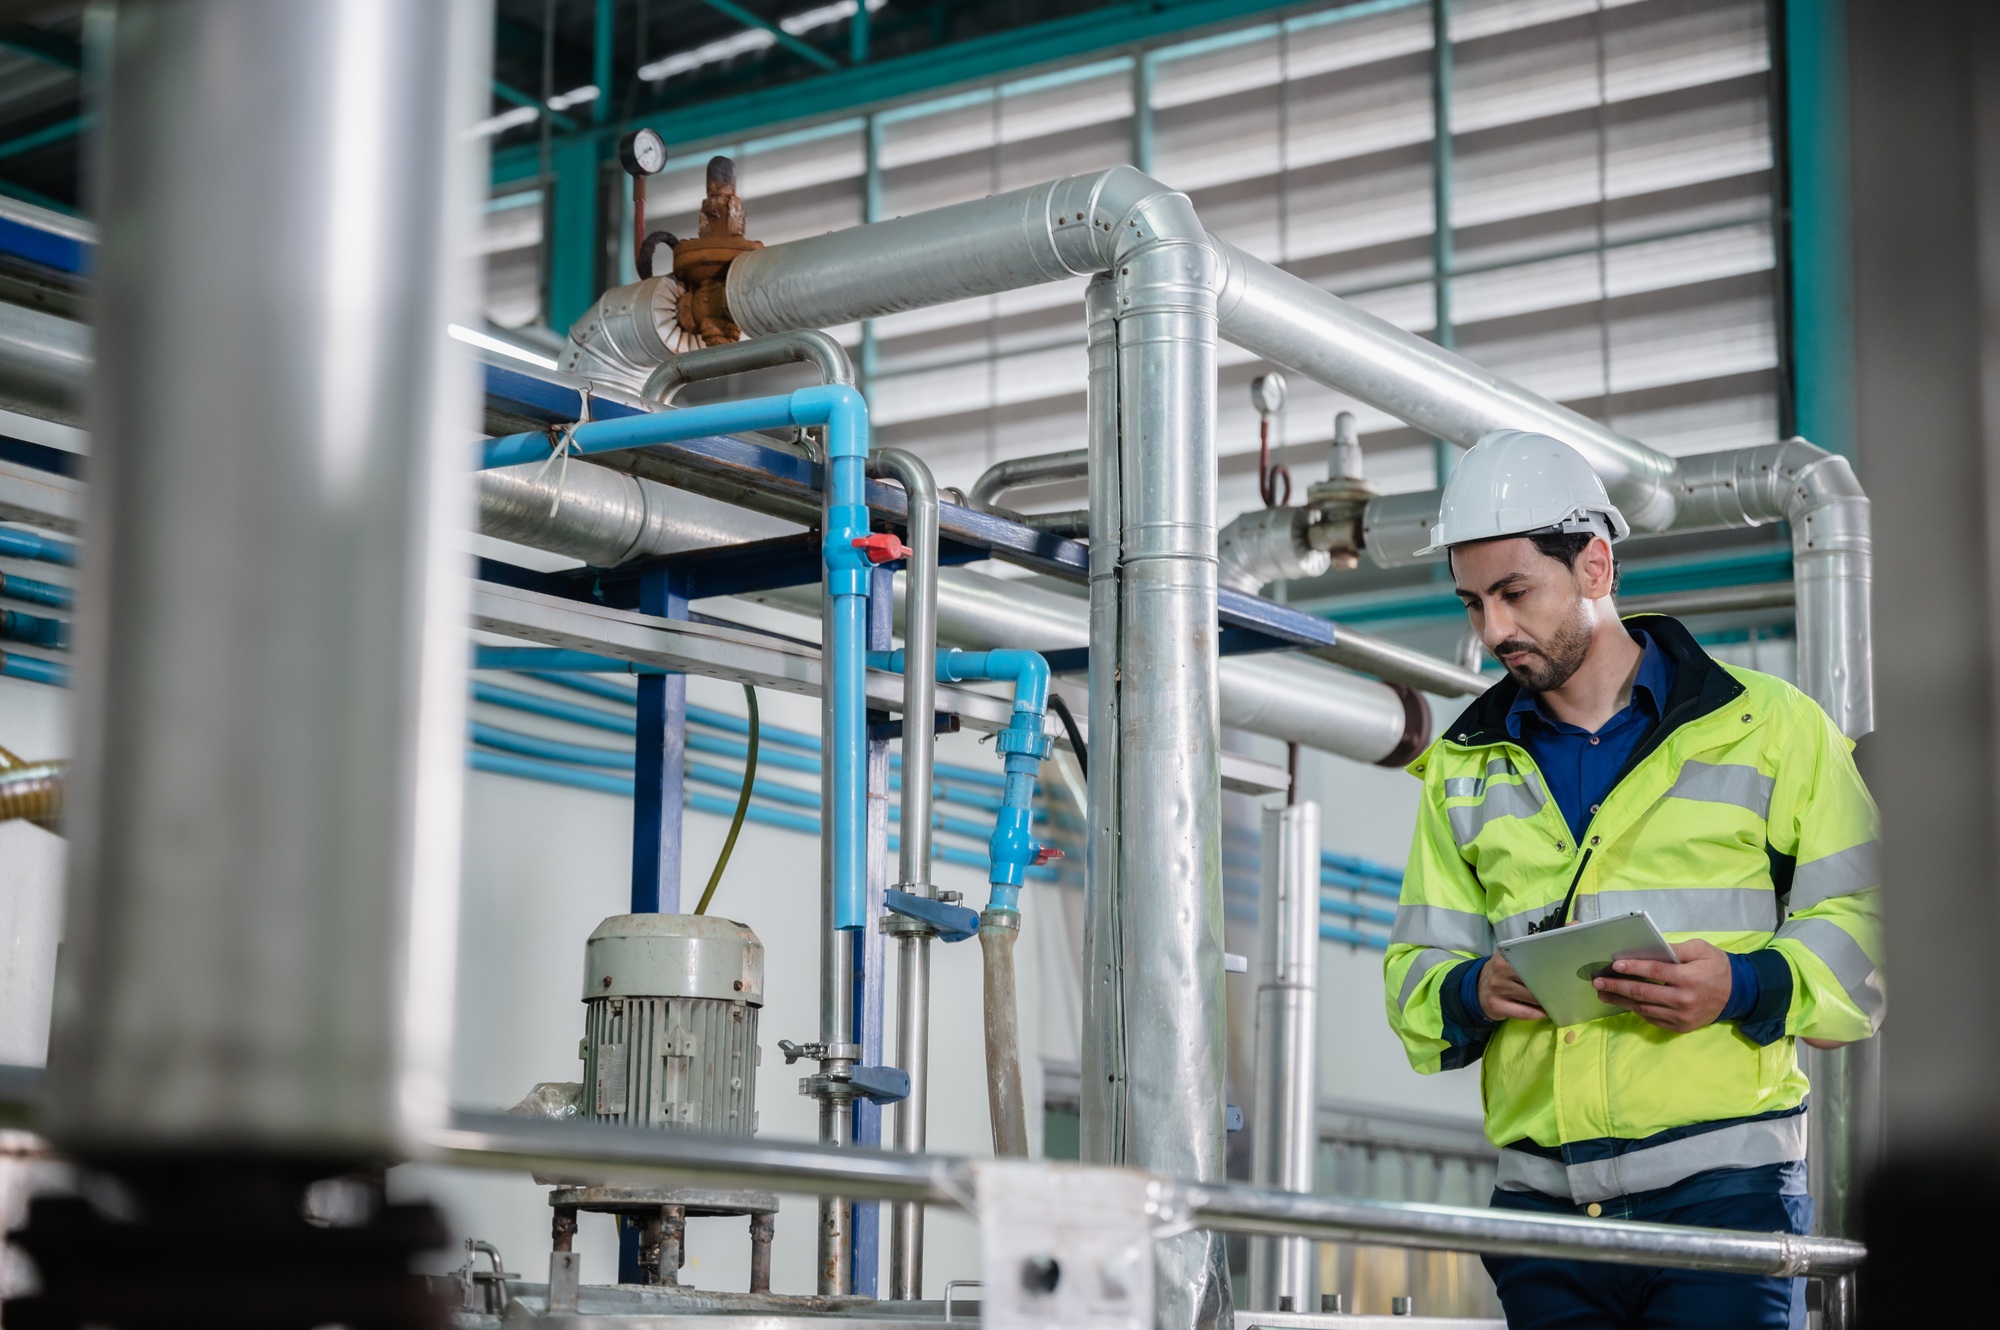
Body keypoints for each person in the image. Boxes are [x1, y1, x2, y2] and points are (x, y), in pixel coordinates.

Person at [1381, 430, 1884, 1330]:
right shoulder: (1461, 768)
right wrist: (1473, 989)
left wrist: (1746, 984)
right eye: (1474, 602)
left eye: (1514, 593)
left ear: (1597, 566)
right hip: (1543, 1218)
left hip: (1721, 1198)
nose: (1493, 631)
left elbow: (1871, 921)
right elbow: (1416, 968)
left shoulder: (1772, 729)